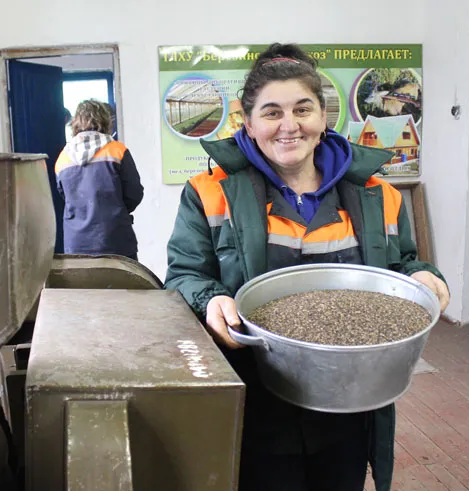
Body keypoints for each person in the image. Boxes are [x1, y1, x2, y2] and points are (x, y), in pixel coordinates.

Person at [164, 43, 449, 491]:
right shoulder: (209, 191)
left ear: (323, 116)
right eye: (272, 112)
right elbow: (183, 274)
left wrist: (421, 274)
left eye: (303, 109)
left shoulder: (376, 193)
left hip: (352, 399)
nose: (289, 125)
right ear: (249, 119)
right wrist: (211, 297)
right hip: (254, 396)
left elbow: (402, 263)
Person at [55, 99, 144, 260]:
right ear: (105, 120)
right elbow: (135, 193)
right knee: (125, 284)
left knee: (83, 285)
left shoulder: (63, 158)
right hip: (116, 240)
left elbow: (64, 196)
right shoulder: (117, 151)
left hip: (76, 244)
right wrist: (116, 210)